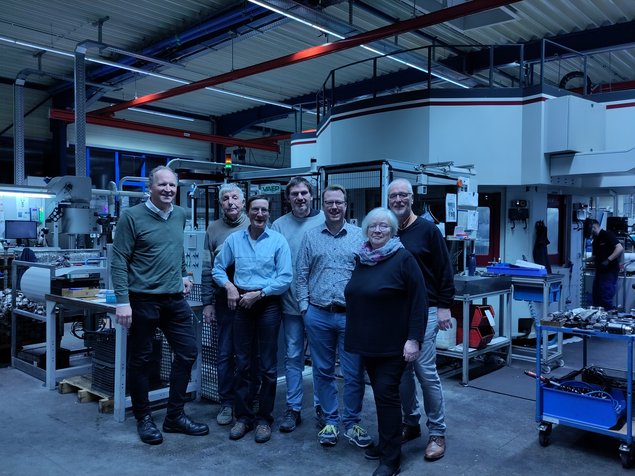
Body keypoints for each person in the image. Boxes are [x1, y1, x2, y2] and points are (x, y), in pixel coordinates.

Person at [111, 165, 209, 445]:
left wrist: (183, 274)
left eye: (172, 185)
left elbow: (177, 249)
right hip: (143, 299)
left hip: (174, 299)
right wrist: (122, 301)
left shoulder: (180, 214)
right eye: (162, 184)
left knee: (188, 352)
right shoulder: (131, 217)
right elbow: (119, 260)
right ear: (150, 188)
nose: (168, 190)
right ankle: (143, 418)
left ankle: (174, 416)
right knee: (142, 359)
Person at [346, 207, 427, 476]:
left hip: (394, 344)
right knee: (382, 397)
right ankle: (387, 445)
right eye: (373, 226)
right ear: (366, 229)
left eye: (383, 226)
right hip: (369, 343)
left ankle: (391, 460)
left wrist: (414, 339)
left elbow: (419, 301)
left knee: (386, 395)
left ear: (392, 231)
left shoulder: (404, 259)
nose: (377, 230)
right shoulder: (364, 258)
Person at [296, 185, 372, 448]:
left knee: (353, 373)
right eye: (329, 202)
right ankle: (330, 420)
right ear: (323, 205)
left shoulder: (360, 236)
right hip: (318, 314)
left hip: (351, 316)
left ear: (346, 204)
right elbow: (301, 274)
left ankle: (351, 423)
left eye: (339, 202)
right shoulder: (311, 236)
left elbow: (368, 273)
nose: (334, 207)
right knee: (323, 371)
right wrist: (305, 309)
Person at [212, 195, 292, 443]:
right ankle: (243, 417)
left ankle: (264, 420)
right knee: (243, 363)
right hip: (242, 303)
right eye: (255, 209)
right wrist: (229, 286)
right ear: (248, 212)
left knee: (268, 366)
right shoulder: (235, 240)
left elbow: (285, 277)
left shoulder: (278, 241)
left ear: (269, 213)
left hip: (267, 304)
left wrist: (260, 294)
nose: (260, 214)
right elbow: (217, 268)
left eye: (264, 210)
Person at [387, 178, 455, 461]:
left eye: (403, 195)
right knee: (402, 373)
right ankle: (411, 422)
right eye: (393, 196)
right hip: (396, 313)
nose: (398, 200)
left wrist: (444, 306)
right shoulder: (387, 230)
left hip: (426, 310)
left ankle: (437, 432)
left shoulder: (428, 230)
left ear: (412, 198)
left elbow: (444, 269)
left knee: (425, 372)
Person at [271, 177, 324, 433]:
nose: (300, 198)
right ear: (288, 198)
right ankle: (293, 408)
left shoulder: (324, 220)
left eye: (304, 193)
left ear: (312, 195)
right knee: (293, 357)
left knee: (320, 359)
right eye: (295, 194)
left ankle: (322, 407)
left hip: (319, 306)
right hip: (291, 305)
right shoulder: (279, 225)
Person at [200, 183, 250, 426]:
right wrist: (207, 303)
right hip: (223, 300)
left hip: (251, 299)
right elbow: (207, 268)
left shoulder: (254, 223)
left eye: (235, 198)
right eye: (226, 198)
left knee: (248, 354)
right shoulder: (213, 229)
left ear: (243, 202)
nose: (231, 202)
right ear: (221, 204)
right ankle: (227, 403)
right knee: (224, 353)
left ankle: (248, 400)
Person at [591, 219, 624, 310]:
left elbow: (619, 248)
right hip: (600, 270)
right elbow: (595, 256)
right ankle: (598, 316)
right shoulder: (595, 240)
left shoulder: (607, 235)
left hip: (609, 270)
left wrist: (608, 260)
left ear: (594, 227)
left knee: (606, 296)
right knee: (596, 297)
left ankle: (608, 316)